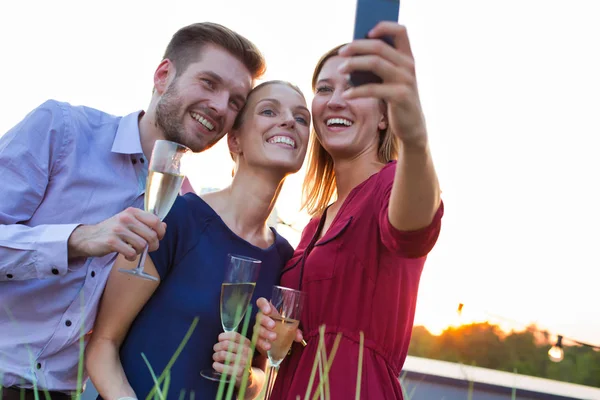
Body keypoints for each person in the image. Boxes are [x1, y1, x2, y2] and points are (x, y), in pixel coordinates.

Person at [0, 22, 265, 400]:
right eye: (209, 83)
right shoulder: (62, 129)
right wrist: (79, 238)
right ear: (162, 75)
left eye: (236, 101)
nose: (221, 106)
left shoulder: (187, 214)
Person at [85, 80, 311, 400]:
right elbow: (102, 345)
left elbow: (259, 376)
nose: (289, 121)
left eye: (301, 118)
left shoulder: (285, 257)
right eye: (269, 111)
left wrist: (247, 377)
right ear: (234, 141)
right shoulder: (177, 217)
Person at [255, 22, 444, 399]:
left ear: (386, 116)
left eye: (356, 88)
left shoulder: (391, 186)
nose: (335, 100)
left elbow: (413, 228)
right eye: (324, 89)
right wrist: (276, 337)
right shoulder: (313, 226)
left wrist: (415, 139)